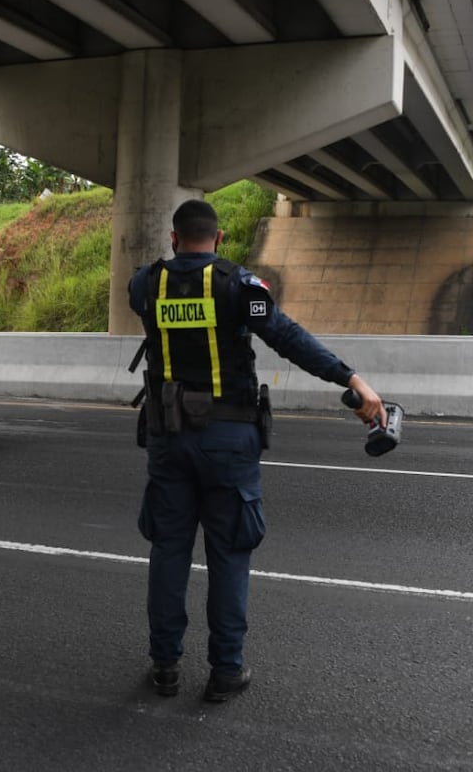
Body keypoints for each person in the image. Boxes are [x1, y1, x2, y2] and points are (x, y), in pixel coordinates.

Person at [128, 199, 385, 703]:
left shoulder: (143, 284)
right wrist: (351, 378)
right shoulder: (239, 287)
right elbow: (287, 338)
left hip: (167, 436)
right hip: (228, 438)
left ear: (174, 238)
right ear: (218, 238)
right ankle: (226, 672)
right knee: (228, 555)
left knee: (169, 551)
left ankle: (164, 667)